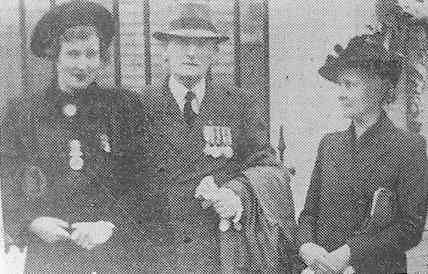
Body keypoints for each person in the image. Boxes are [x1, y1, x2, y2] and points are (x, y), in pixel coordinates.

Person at [122, 1, 297, 273]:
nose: (191, 53)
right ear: (165, 49)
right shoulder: (138, 104)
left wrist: (235, 193)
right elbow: (121, 176)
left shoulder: (239, 104)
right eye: (181, 43)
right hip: (156, 250)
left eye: (202, 45)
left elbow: (269, 168)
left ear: (215, 52)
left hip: (218, 249)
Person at [0, 1, 143, 273]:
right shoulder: (23, 111)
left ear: (102, 58)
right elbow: (7, 174)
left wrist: (109, 225)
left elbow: (141, 177)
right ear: (55, 55)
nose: (83, 65)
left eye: (92, 54)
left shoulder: (123, 107)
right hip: (50, 256)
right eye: (73, 54)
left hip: (113, 254)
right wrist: (30, 221)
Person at [297, 34, 428, 273]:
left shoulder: (408, 146)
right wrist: (306, 245)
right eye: (340, 85)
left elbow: (410, 228)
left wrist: (350, 252)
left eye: (350, 85)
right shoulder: (330, 144)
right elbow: (309, 213)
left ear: (378, 89)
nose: (341, 94)